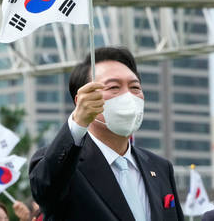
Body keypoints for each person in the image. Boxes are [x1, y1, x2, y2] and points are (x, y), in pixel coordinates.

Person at [29, 47, 183, 221]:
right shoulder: (62, 164)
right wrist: (78, 122)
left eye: (135, 87)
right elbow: (45, 189)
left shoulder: (160, 167)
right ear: (82, 100)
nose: (128, 96)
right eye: (114, 87)